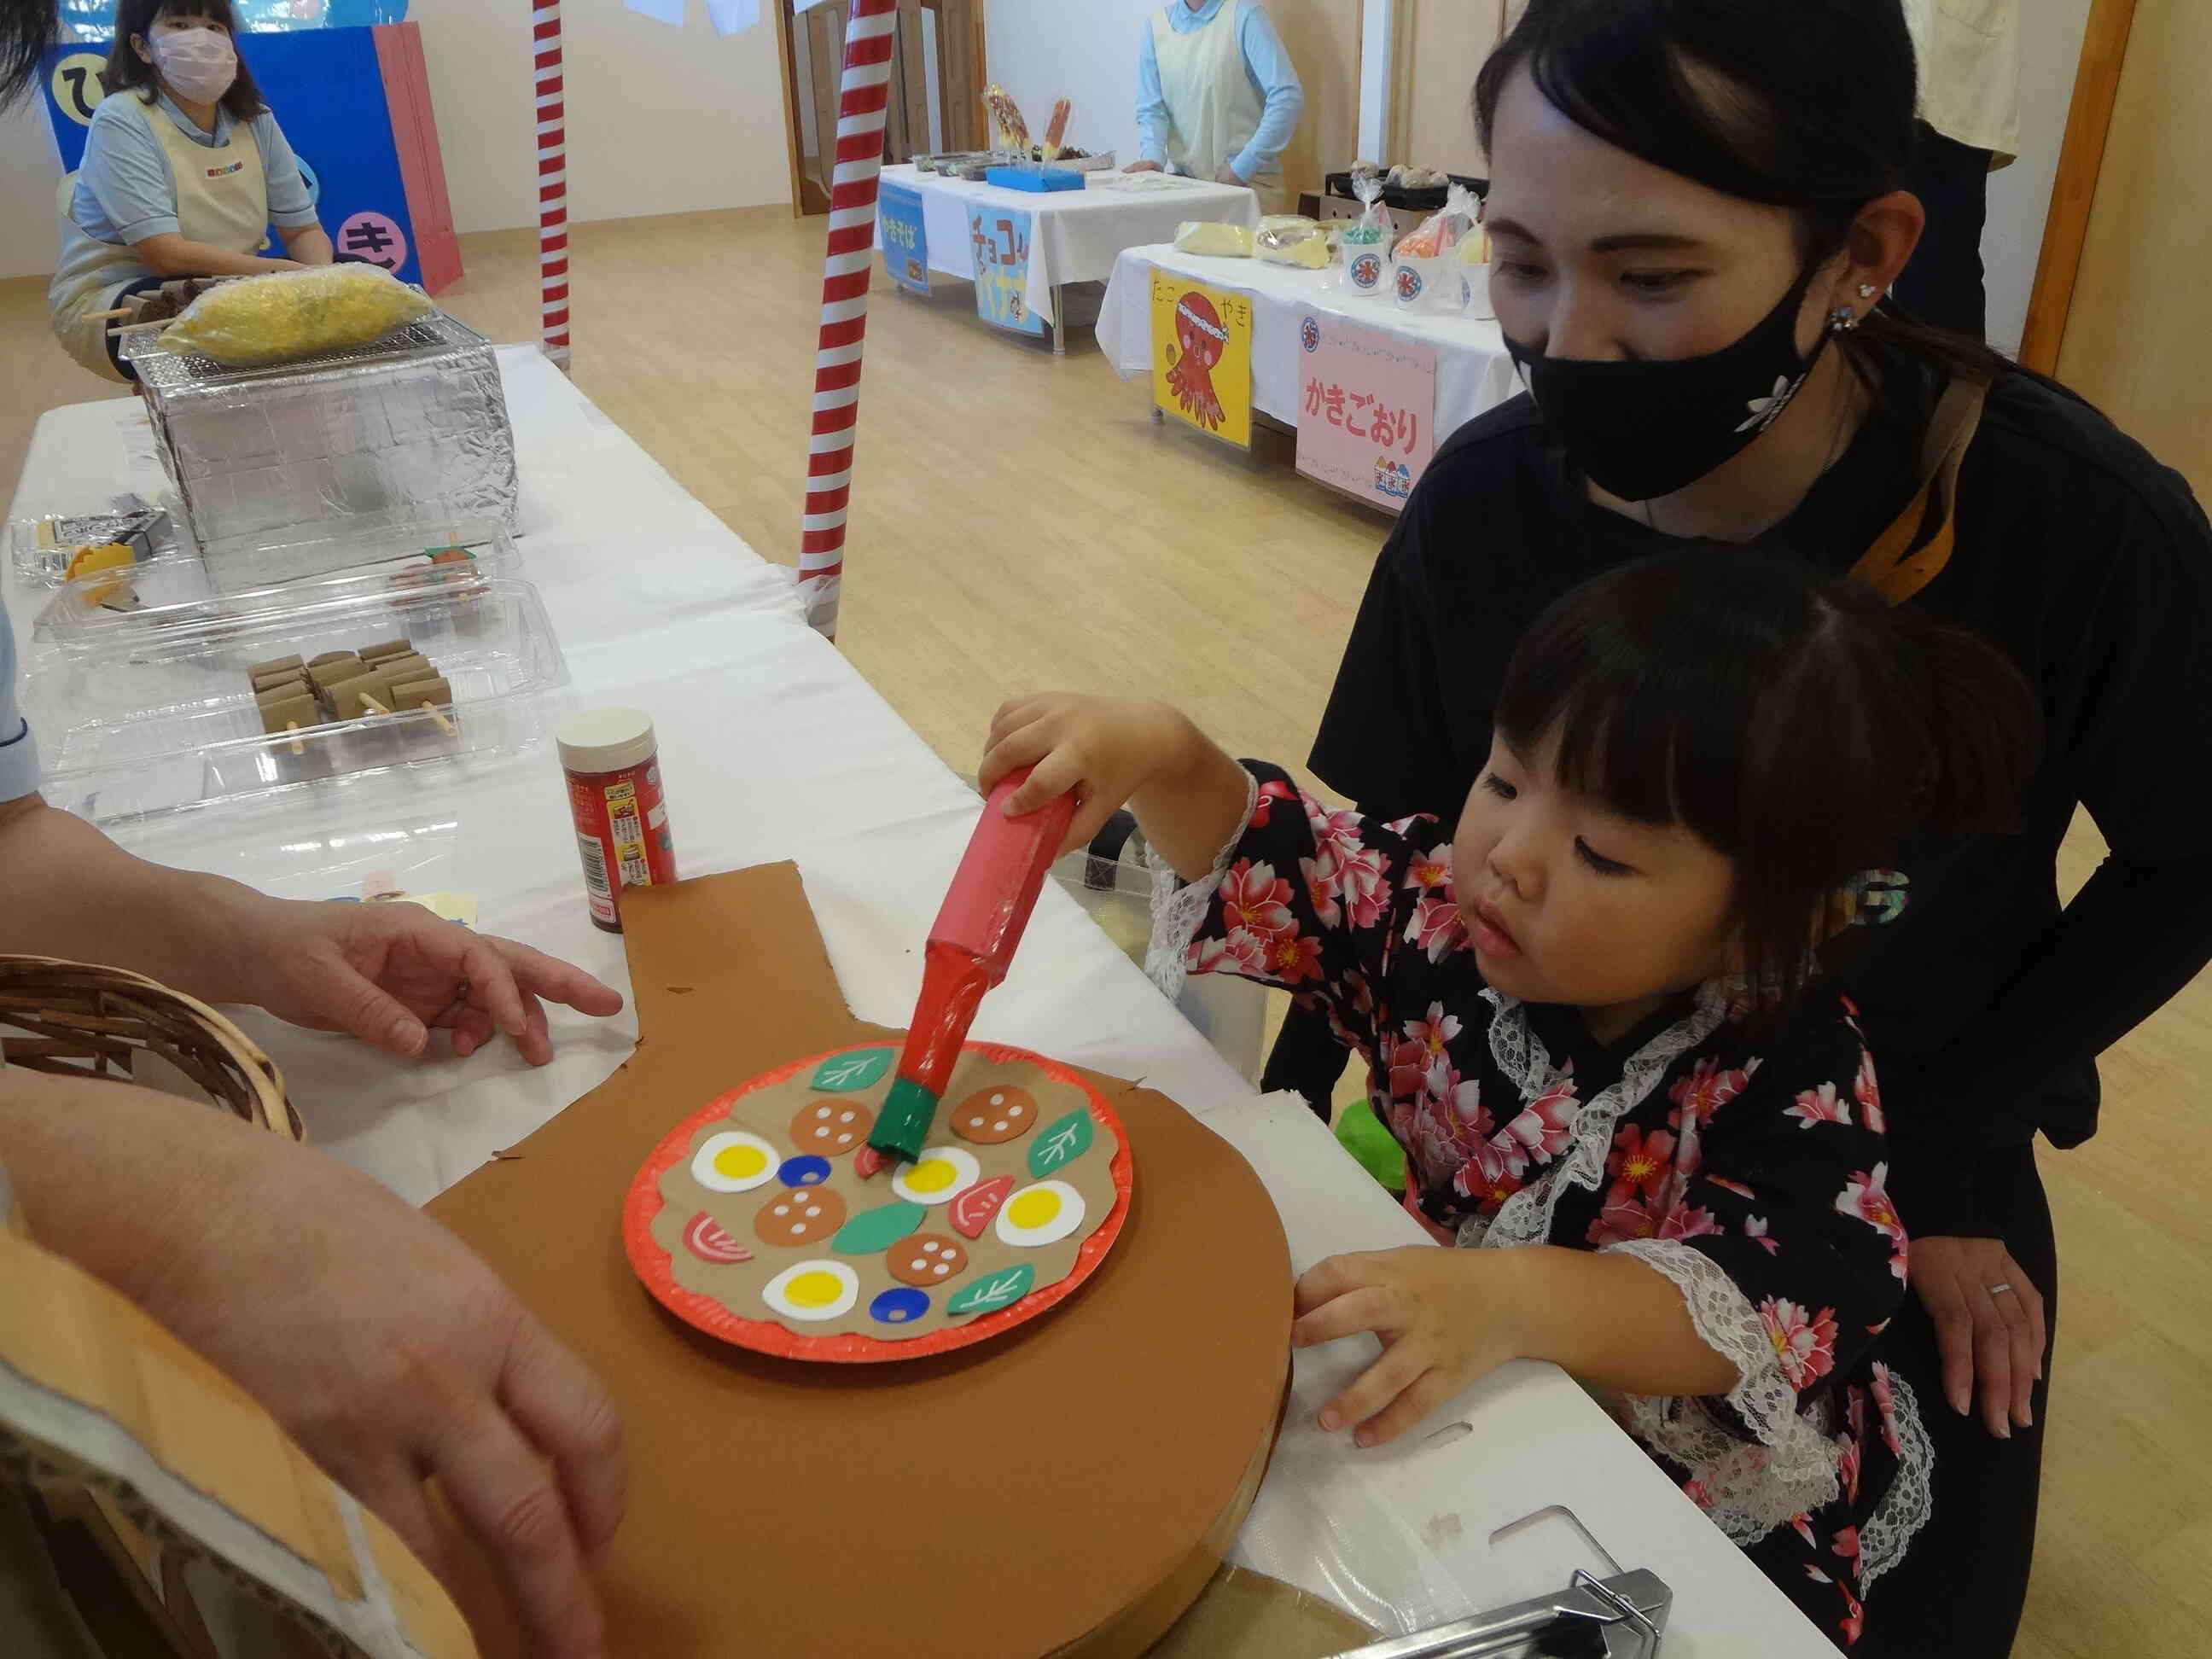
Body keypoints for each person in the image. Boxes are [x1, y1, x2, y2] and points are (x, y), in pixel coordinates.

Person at [1294, 3, 2212, 1653]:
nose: (1564, 339)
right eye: (1517, 262)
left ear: (1859, 250)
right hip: (1522, 1139)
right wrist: (1273, 1127)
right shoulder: (1492, 502)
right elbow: (1382, 847)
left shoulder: (2068, 525)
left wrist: (1936, 1152)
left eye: (1650, 277)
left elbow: (2192, 855)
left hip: (1890, 1151)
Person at [979, 550, 2040, 1646]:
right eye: (1504, 781)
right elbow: (1283, 858)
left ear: (1772, 921)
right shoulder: (1439, 910)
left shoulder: (1791, 1066)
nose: (1510, 859)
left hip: (1669, 1467)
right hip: (1452, 1356)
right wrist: (1163, 750)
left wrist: (1519, 1300)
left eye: (1601, 854)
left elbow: (1788, 1291)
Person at [47, 0, 332, 382]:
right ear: (141, 47)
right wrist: (288, 276)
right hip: (123, 299)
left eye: (214, 27)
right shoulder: (122, 118)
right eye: (180, 24)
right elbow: (166, 256)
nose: (201, 38)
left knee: (355, 274)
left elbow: (302, 231)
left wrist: (327, 285)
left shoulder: (256, 119)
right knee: (214, 316)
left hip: (230, 285)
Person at [1893, 0, 2021, 338]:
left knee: (1937, 271)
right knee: (1809, 248)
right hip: (1821, 45)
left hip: (1949, 78)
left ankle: (1946, 389)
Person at [1126, 0, 1304, 217]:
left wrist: (1242, 167)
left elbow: (1287, 97)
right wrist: (1153, 158)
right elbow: (1152, 109)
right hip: (1188, 191)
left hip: (1247, 190)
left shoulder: (1246, 17)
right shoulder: (1156, 27)